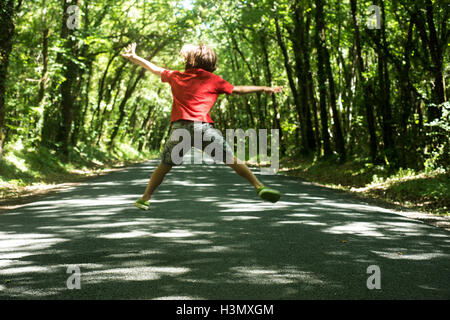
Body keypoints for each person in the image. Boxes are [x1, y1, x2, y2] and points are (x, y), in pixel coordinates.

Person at [121, 43, 282, 211]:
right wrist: (264, 88)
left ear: (189, 61)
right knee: (231, 159)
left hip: (180, 130)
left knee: (164, 166)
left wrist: (134, 57)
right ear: (210, 63)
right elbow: (238, 90)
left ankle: (145, 198)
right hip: (203, 128)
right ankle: (258, 185)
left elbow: (154, 69)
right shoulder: (213, 80)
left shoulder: (176, 76)